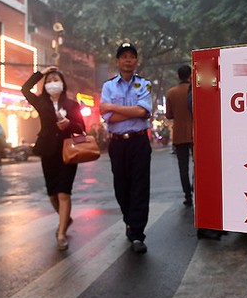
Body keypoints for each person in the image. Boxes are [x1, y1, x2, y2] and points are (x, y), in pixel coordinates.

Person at [22, 66, 86, 251]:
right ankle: (65, 218)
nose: (52, 84)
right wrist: (41, 73)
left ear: (62, 83)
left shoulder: (73, 105)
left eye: (56, 80)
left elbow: (81, 128)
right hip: (48, 152)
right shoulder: (41, 102)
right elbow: (25, 89)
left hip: (68, 152)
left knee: (64, 192)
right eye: (49, 81)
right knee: (52, 194)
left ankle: (61, 234)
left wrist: (69, 124)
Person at [100, 42, 153, 254]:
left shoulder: (145, 84)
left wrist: (113, 107)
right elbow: (107, 117)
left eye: (132, 56)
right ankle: (130, 220)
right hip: (117, 143)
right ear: (117, 61)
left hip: (139, 142)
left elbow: (143, 112)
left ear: (136, 61)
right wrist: (130, 111)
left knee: (140, 187)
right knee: (121, 187)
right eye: (124, 56)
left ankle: (138, 234)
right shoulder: (108, 86)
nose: (128, 59)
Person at [165, 65, 194, 206]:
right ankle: (198, 190)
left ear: (178, 76)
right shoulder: (195, 91)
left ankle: (187, 195)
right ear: (190, 75)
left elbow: (169, 115)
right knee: (198, 165)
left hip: (179, 134)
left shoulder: (171, 92)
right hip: (195, 133)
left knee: (183, 167)